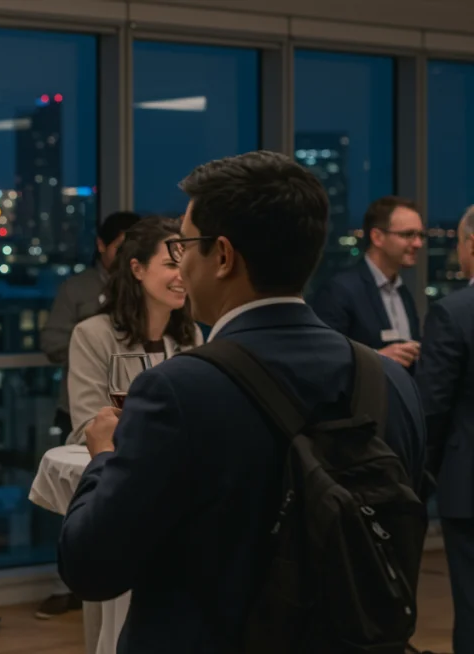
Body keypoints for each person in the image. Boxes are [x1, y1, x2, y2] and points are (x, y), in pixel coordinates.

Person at [58, 151, 426, 653]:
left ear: (224, 256)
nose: (182, 263)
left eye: (186, 244)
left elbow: (91, 567)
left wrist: (103, 458)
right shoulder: (390, 380)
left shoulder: (177, 389)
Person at [63, 217, 202, 654]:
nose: (181, 276)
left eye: (185, 263)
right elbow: (89, 423)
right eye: (169, 264)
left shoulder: (192, 334)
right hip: (119, 483)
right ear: (138, 269)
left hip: (181, 490)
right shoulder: (94, 333)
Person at [35, 210, 139, 619]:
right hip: (78, 406)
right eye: (121, 247)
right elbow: (52, 340)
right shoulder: (77, 289)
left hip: (126, 415)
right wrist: (89, 353)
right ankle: (73, 581)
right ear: (102, 246)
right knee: (80, 496)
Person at [417, 205, 474, 653]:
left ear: (471, 245)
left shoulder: (453, 313)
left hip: (468, 487)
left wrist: (424, 473)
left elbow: (432, 407)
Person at [311, 196, 424, 369]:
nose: (418, 243)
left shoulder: (403, 292)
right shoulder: (340, 291)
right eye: (408, 234)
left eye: (420, 235)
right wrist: (377, 358)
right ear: (377, 237)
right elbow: (323, 358)